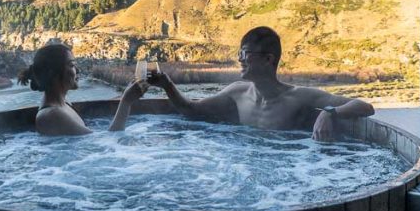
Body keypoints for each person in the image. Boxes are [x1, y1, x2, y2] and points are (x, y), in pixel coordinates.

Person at [148, 27, 374, 140]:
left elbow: (365, 106)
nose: (239, 59)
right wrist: (167, 85)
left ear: (268, 59)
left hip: (294, 171)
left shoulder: (299, 96)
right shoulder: (237, 92)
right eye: (239, 53)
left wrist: (329, 112)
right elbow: (191, 110)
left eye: (245, 53)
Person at [18, 43, 146, 136]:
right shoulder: (51, 115)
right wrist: (126, 102)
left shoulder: (63, 104)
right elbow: (105, 144)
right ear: (54, 73)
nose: (78, 70)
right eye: (72, 65)